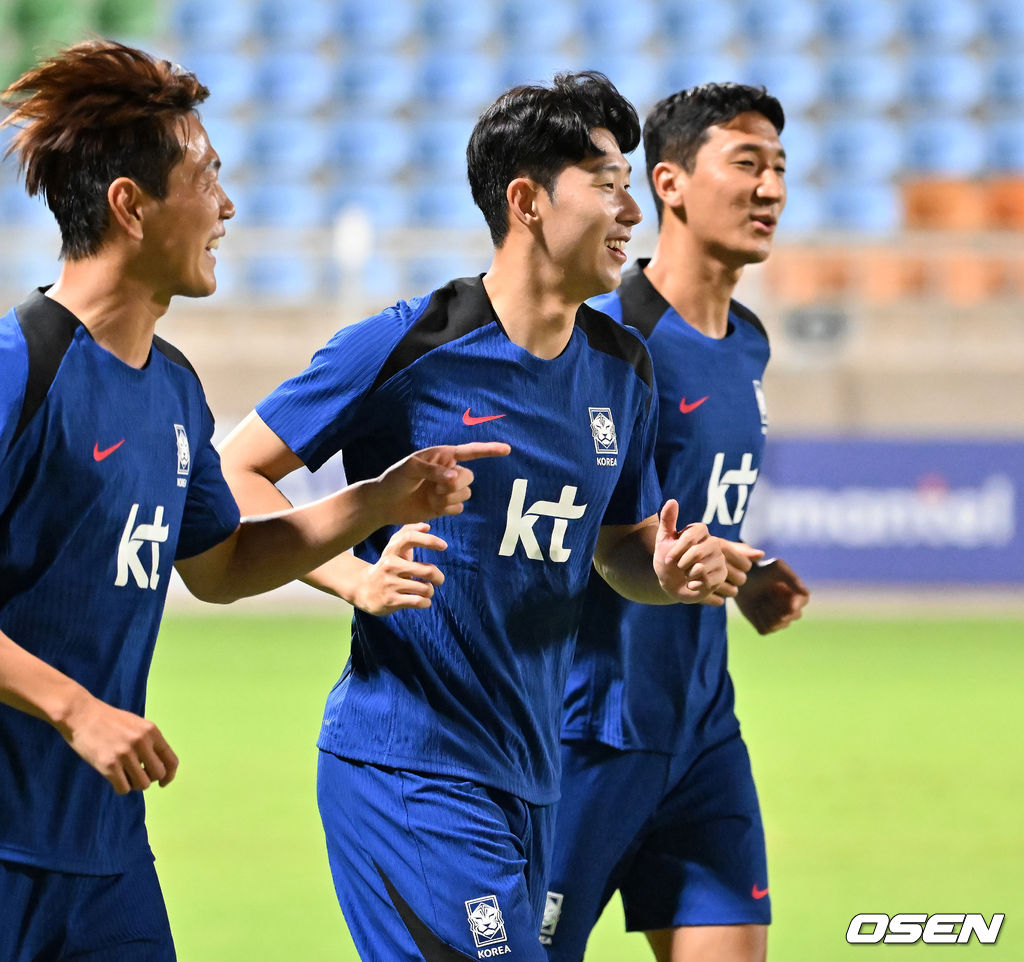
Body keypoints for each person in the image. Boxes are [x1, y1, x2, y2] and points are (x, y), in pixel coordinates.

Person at [0, 40, 506, 962]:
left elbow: (222, 567)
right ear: (130, 204)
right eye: (207, 178)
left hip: (106, 856)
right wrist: (77, 709)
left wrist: (371, 502)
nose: (227, 207)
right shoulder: (16, 370)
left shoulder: (175, 389)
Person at [217, 71, 729, 962]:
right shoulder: (412, 344)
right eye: (606, 185)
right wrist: (353, 576)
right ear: (527, 201)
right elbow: (237, 474)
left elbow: (615, 551)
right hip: (407, 771)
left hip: (532, 781)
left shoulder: (623, 368)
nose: (631, 211)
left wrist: (670, 571)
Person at [541, 83, 811, 962]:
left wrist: (746, 576)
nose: (770, 187)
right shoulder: (606, 336)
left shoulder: (749, 341)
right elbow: (569, 522)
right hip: (590, 731)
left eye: (778, 166)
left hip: (700, 727)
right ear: (670, 182)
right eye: (746, 163)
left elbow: (690, 508)